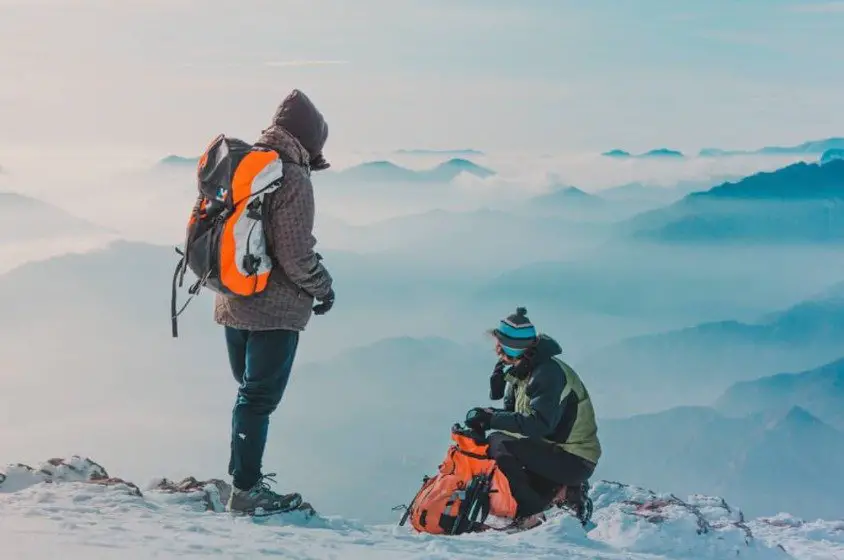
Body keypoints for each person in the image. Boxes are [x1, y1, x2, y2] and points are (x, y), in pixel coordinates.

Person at [214, 89, 335, 515]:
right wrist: (324, 287)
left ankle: (243, 480)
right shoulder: (292, 177)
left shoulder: (244, 163)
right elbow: (296, 254)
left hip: (232, 298)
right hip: (274, 309)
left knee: (248, 395)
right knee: (258, 399)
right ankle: (245, 490)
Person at [464, 307, 601, 527]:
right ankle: (563, 491)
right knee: (499, 446)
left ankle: (532, 514)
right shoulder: (525, 369)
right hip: (551, 450)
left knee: (499, 444)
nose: (496, 350)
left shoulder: (547, 373)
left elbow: (539, 424)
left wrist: (492, 420)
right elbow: (519, 417)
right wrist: (487, 415)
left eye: (499, 345)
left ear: (511, 347)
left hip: (574, 459)